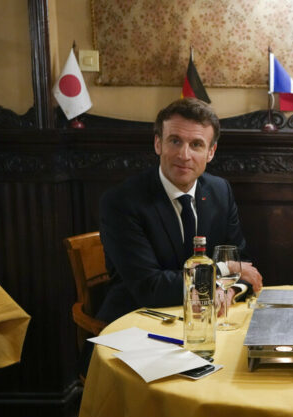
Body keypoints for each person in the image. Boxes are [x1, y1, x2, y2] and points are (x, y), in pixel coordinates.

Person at [97, 97, 263, 324]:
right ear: (158, 144)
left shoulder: (219, 191)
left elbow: (242, 263)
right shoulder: (121, 202)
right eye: (175, 141)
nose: (184, 155)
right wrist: (225, 269)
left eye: (196, 144)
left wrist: (229, 291)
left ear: (211, 152)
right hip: (138, 324)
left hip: (205, 318)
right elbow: (150, 287)